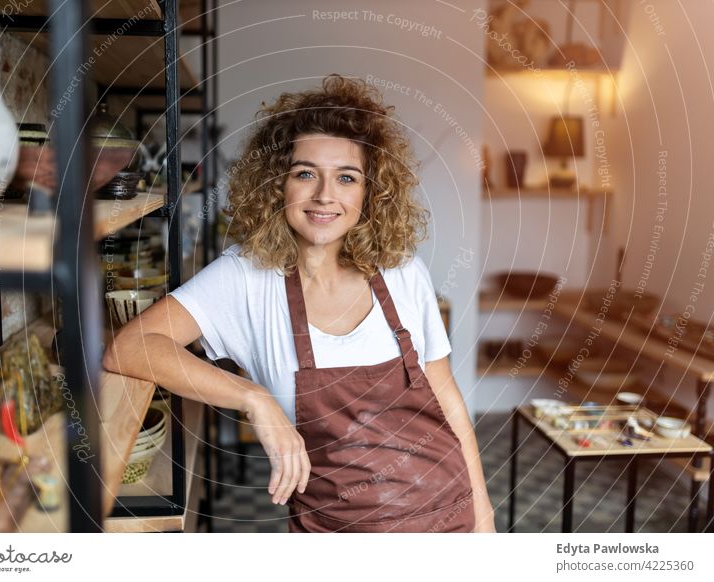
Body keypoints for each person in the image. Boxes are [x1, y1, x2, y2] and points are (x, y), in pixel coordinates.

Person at [103, 74, 495, 533]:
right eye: (305, 173)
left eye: (346, 178)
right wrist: (254, 398)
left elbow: (445, 395)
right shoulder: (245, 277)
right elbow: (130, 347)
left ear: (369, 194)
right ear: (277, 185)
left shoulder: (402, 271)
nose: (325, 195)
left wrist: (483, 512)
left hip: (449, 517)